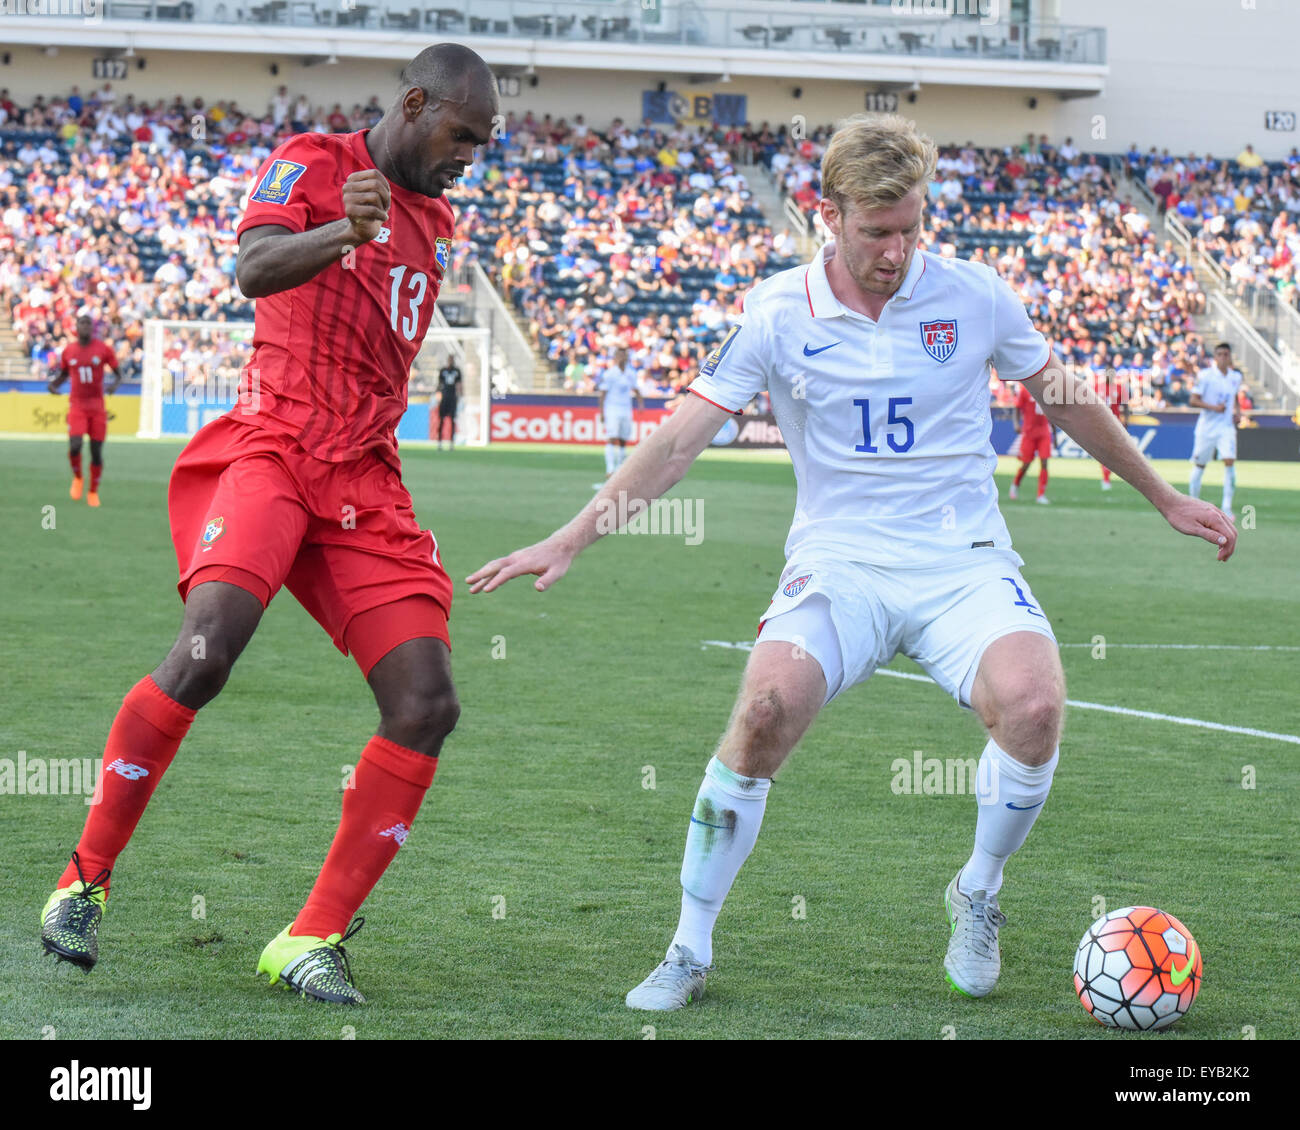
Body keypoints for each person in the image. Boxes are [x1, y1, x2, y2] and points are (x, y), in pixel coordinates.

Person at [467, 114, 1236, 1011]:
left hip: (963, 561)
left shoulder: (974, 294)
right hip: (842, 563)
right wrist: (571, 536)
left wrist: (1164, 495)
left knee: (1033, 707)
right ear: (826, 214)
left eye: (912, 226)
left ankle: (978, 890)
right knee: (762, 712)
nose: (898, 249)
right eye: (877, 231)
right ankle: (688, 945)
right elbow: (679, 441)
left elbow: (1061, 396)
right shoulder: (775, 312)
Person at [38, 44, 499, 1005]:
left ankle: (310, 939)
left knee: (428, 703)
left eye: (482, 144)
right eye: (464, 136)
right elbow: (251, 268)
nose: (472, 158)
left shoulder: (440, 221)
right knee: (206, 653)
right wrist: (339, 231)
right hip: (276, 445)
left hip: (366, 480)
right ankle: (83, 880)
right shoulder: (315, 160)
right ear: (414, 103)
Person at [48, 312, 121, 508]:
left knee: (96, 451)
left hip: (97, 406)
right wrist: (54, 385)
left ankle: (93, 492)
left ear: (93, 328)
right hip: (78, 405)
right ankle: (78, 478)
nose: (86, 326)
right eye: (82, 323)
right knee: (75, 445)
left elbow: (118, 373)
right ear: (76, 327)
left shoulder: (103, 349)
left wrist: (114, 385)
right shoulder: (69, 351)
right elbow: (64, 373)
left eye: (89, 323)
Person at [1188, 342, 1244, 519]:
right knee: (1200, 464)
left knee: (1229, 461)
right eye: (1219, 354)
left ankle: (1226, 507)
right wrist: (1213, 407)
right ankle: (1193, 503)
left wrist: (1237, 412)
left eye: (1226, 354)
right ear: (1215, 357)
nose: (1223, 357)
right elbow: (1193, 400)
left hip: (1226, 427)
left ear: (1230, 357)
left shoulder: (1235, 377)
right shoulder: (1205, 376)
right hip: (1207, 427)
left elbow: (1234, 395)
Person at [598, 346, 645, 480]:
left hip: (626, 408)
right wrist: (601, 411)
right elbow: (602, 394)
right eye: (620, 355)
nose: (622, 358)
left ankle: (619, 468)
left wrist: (640, 403)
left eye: (624, 355)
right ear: (615, 358)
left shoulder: (631, 373)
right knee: (612, 437)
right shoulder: (609, 374)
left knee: (623, 439)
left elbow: (636, 389)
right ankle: (610, 468)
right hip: (612, 408)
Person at [1009, 380, 1052, 504]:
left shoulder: (1046, 391)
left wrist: (1053, 431)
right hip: (1029, 432)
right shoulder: (1024, 390)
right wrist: (1016, 424)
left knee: (1044, 462)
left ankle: (1041, 495)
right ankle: (1015, 484)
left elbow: (1051, 412)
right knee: (1026, 464)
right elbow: (1017, 408)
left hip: (1043, 431)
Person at [1095, 367, 1130, 491]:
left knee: (1114, 452)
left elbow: (1125, 406)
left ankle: (1107, 475)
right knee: (1105, 451)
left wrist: (1126, 421)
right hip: (1101, 422)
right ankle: (1106, 477)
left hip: (1115, 423)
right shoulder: (1097, 387)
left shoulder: (1120, 389)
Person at [435, 353, 462, 450]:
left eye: (452, 359)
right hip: (444, 398)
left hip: (453, 398)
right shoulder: (443, 371)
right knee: (441, 420)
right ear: (448, 360)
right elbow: (439, 384)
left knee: (452, 420)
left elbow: (459, 384)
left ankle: (451, 443)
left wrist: (459, 397)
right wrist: (438, 395)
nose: (451, 361)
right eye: (450, 359)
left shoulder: (457, 371)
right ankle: (440, 442)